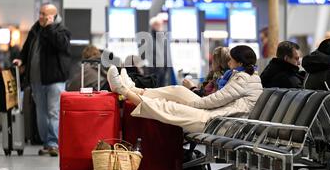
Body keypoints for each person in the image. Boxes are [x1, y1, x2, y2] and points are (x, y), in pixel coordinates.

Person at [107, 45, 262, 133]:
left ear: (239, 63)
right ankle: (134, 89)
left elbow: (217, 99)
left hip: (219, 122)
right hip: (218, 114)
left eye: (231, 60)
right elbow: (218, 100)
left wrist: (189, 104)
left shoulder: (243, 78)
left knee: (171, 108)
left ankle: (124, 91)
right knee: (178, 90)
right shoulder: (243, 76)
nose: (229, 63)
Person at [13, 4, 71, 157]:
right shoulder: (35, 30)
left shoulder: (61, 30)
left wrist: (50, 27)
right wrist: (21, 59)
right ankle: (47, 143)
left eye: (44, 14)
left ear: (53, 15)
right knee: (41, 114)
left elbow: (61, 46)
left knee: (54, 113)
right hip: (36, 80)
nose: (40, 16)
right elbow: (27, 49)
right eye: (39, 13)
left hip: (55, 80)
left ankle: (53, 143)